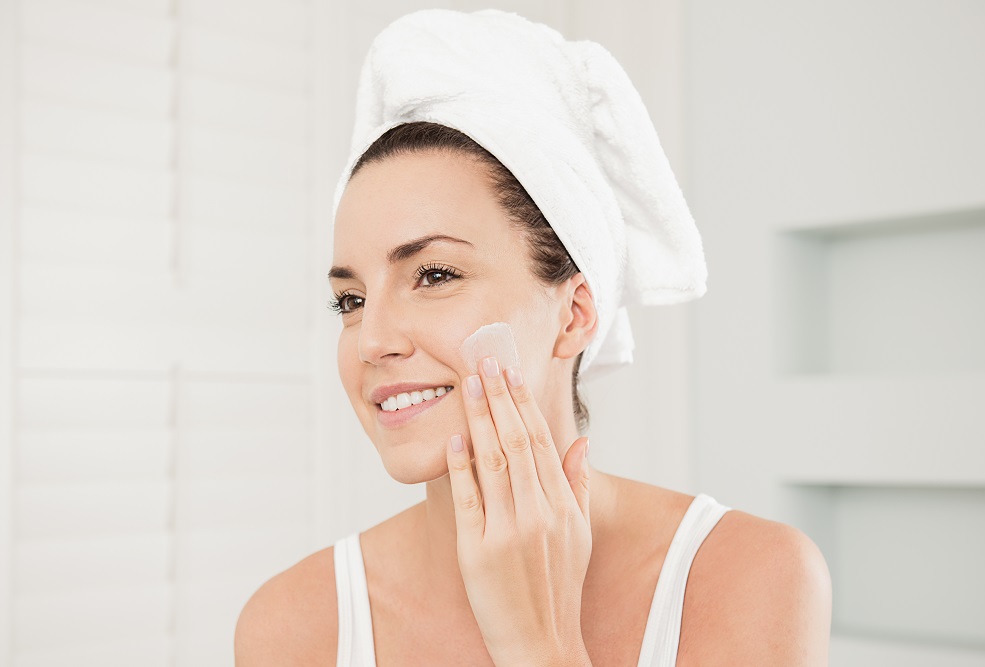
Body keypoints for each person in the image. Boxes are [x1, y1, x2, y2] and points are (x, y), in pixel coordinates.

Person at [235, 9, 831, 666]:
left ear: (574, 313)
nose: (370, 340)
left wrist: (537, 641)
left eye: (434, 274)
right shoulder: (292, 626)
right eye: (351, 300)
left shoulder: (748, 578)